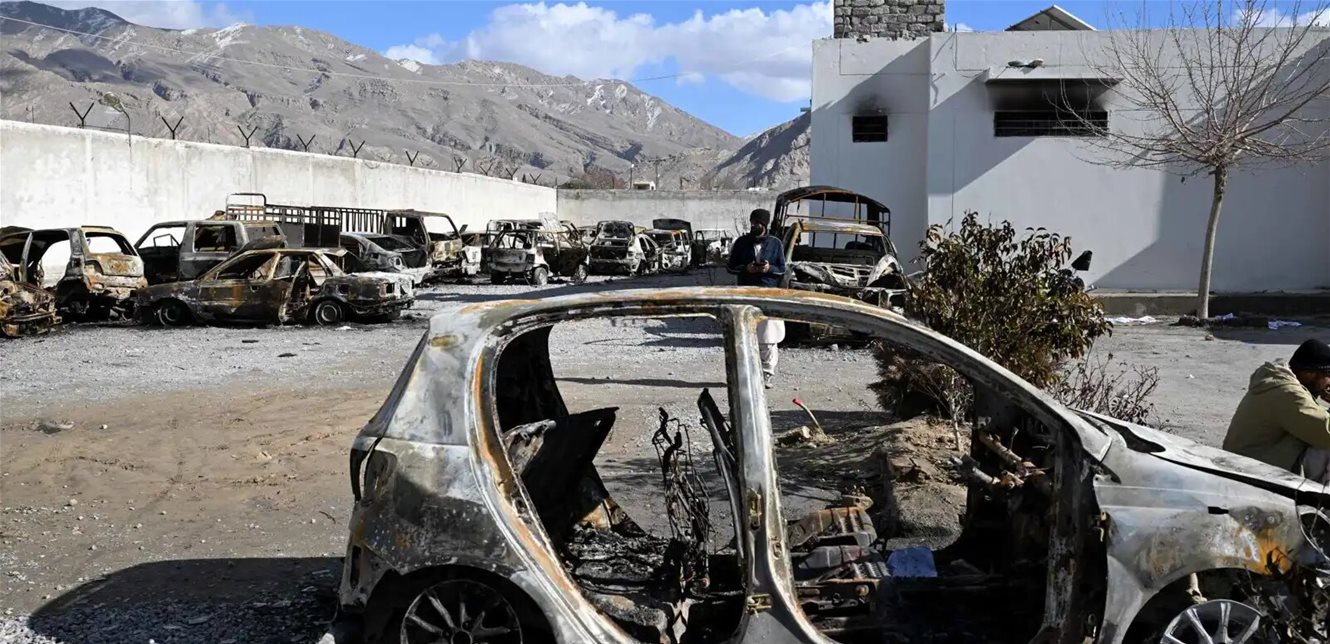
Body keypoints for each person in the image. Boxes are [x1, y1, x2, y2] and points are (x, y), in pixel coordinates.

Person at [1223, 338, 1330, 481]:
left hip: (1247, 460)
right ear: (1310, 374)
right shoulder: (1288, 393)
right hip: (1251, 471)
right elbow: (1325, 433)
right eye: (1328, 376)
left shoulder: (1278, 382)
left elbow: (1314, 420)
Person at [727, 208, 787, 389]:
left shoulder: (775, 243)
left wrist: (769, 269)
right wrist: (747, 268)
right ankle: (747, 374)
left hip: (768, 293)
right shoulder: (741, 243)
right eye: (752, 223)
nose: (754, 226)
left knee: (768, 335)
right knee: (744, 335)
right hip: (746, 293)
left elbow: (782, 269)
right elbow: (730, 267)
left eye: (757, 224)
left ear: (764, 225)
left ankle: (767, 373)